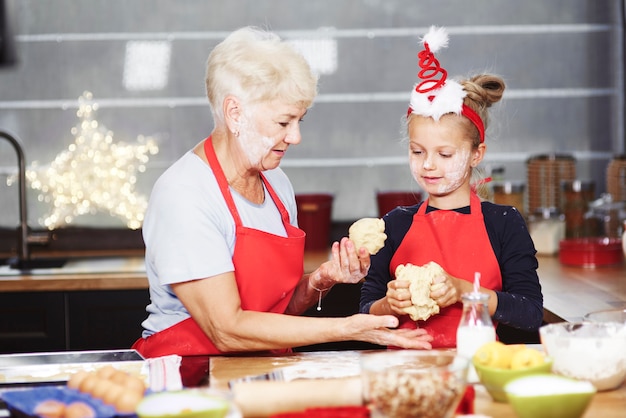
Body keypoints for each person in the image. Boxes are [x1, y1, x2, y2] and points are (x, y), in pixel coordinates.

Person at [132, 26, 433, 358]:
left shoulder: (276, 184)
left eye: (300, 120)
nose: (296, 137)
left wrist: (321, 279)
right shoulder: (185, 195)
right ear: (235, 113)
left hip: (261, 366)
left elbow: (274, 316)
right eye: (283, 122)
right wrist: (347, 327)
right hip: (189, 375)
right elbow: (226, 330)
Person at [359, 26, 543, 348]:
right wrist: (390, 304)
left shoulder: (503, 223)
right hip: (405, 372)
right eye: (417, 152)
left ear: (476, 154)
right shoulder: (394, 224)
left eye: (444, 154)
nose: (428, 164)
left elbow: (530, 313)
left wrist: (463, 291)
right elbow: (365, 307)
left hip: (479, 365)